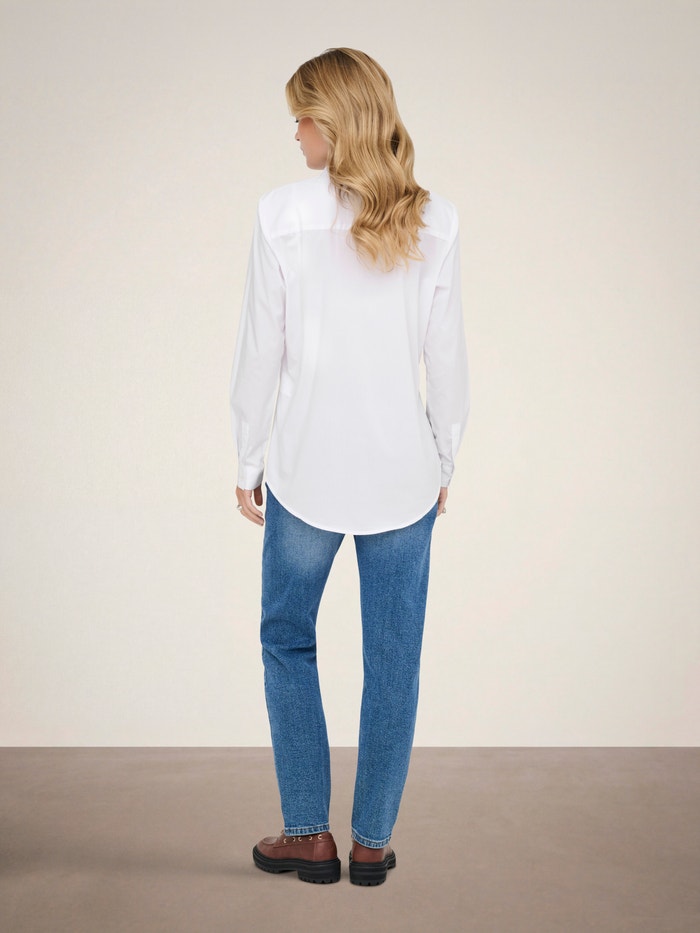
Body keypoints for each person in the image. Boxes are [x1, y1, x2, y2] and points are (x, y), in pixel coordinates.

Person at [229, 48, 469, 886]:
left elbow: (261, 349)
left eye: (302, 115)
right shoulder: (436, 222)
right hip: (404, 474)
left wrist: (247, 455)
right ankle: (372, 841)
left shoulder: (281, 215)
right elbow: (447, 359)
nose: (295, 131)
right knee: (394, 658)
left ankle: (309, 833)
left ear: (332, 122)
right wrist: (445, 454)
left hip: (305, 471)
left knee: (287, 639)